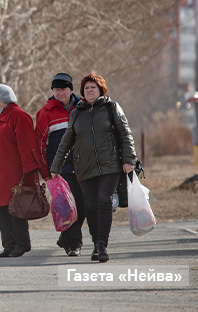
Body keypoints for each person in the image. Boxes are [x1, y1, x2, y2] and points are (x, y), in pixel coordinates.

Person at [50, 73, 137, 263]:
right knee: (90, 207)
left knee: (103, 201)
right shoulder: (77, 113)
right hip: (85, 167)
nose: (89, 90)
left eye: (93, 87)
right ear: (82, 91)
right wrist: (56, 166)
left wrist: (129, 159)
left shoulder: (111, 108)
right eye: (87, 87)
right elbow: (66, 141)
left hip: (110, 165)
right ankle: (96, 244)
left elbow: (125, 133)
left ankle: (102, 245)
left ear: (101, 90)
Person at [0, 83, 49, 258]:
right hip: (0, 174)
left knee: (17, 208)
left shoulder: (19, 116)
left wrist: (29, 175)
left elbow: (28, 147)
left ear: (2, 100)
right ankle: (8, 245)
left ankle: (22, 244)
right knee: (2, 209)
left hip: (16, 174)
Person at [35, 72, 87, 257]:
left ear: (70, 90)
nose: (60, 93)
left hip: (84, 166)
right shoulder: (45, 113)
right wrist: (46, 171)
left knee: (82, 207)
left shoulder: (84, 107)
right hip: (60, 170)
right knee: (68, 206)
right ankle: (74, 244)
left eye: (63, 89)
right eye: (56, 90)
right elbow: (40, 145)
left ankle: (66, 236)